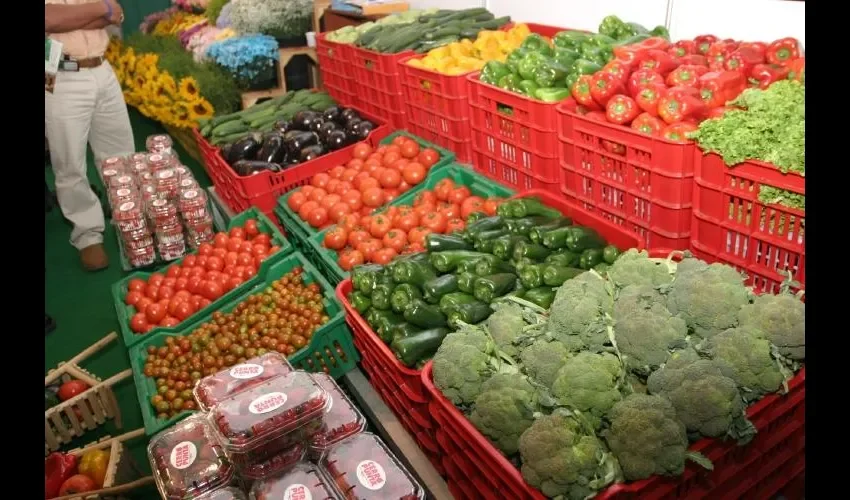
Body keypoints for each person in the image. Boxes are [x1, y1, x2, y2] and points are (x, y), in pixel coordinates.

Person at [45, 0, 135, 271]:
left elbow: (116, 13)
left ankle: (127, 219)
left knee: (121, 155)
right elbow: (49, 19)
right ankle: (87, 235)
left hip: (103, 70)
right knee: (69, 163)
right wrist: (98, 9)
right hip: (60, 75)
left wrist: (73, 17)